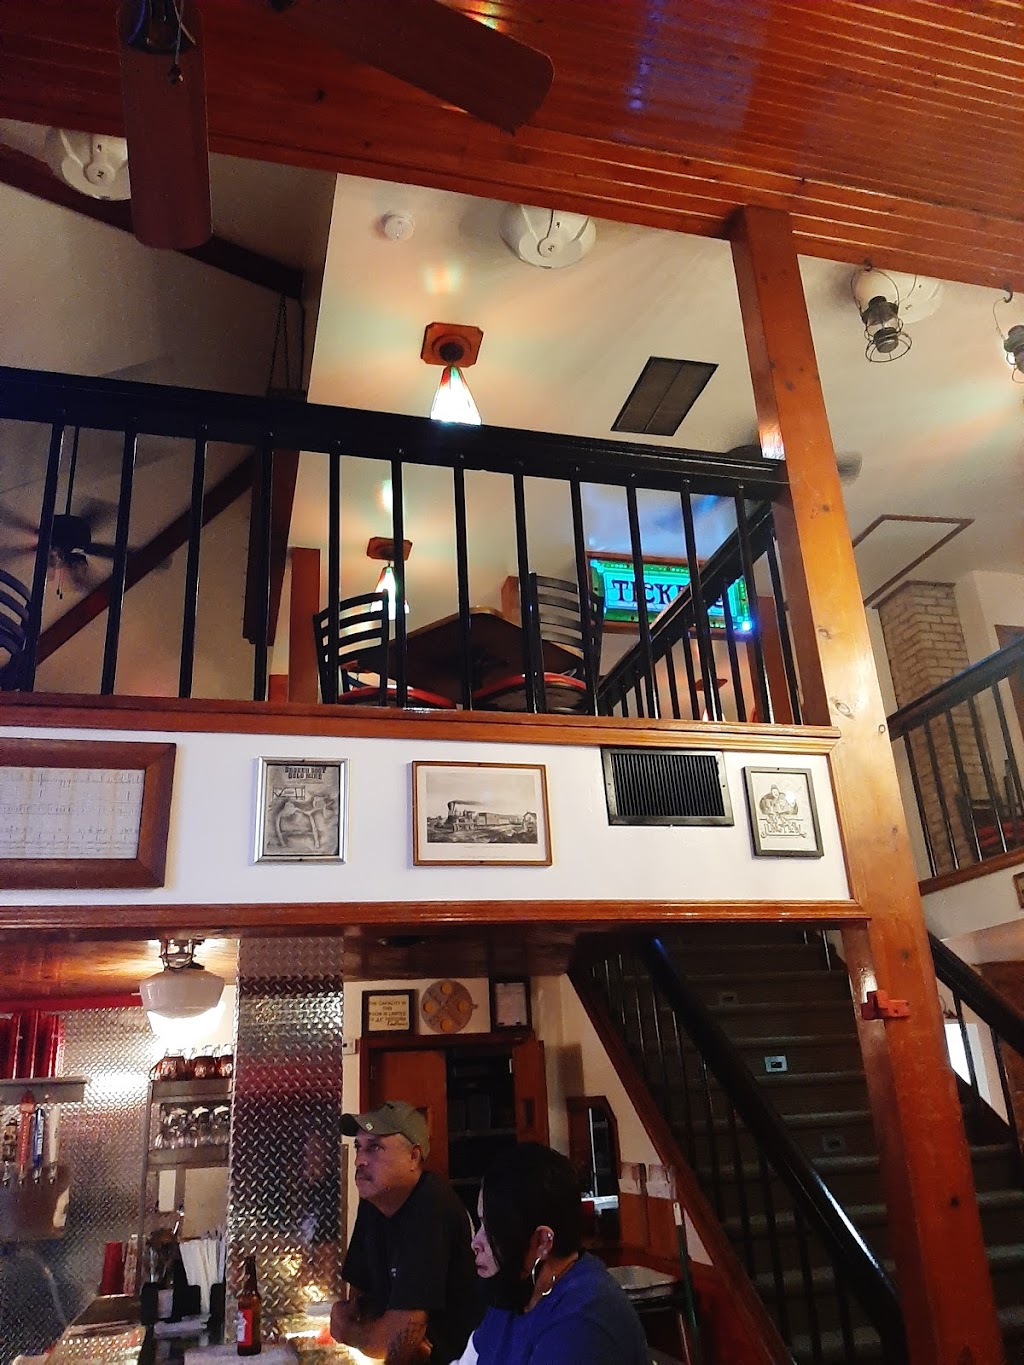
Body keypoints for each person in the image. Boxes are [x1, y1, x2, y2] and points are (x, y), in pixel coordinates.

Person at [456, 1142, 649, 1365]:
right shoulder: (515, 1291)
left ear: (542, 1241)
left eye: (491, 1230)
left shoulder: (582, 1325)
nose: (475, 1243)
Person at [331, 1100, 480, 1365]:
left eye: (374, 1147)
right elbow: (359, 1302)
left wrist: (351, 1333)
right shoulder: (374, 1201)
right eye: (358, 1147)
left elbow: (395, 1343)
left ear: (413, 1156)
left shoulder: (432, 1205)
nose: (360, 1160)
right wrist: (375, 1328)